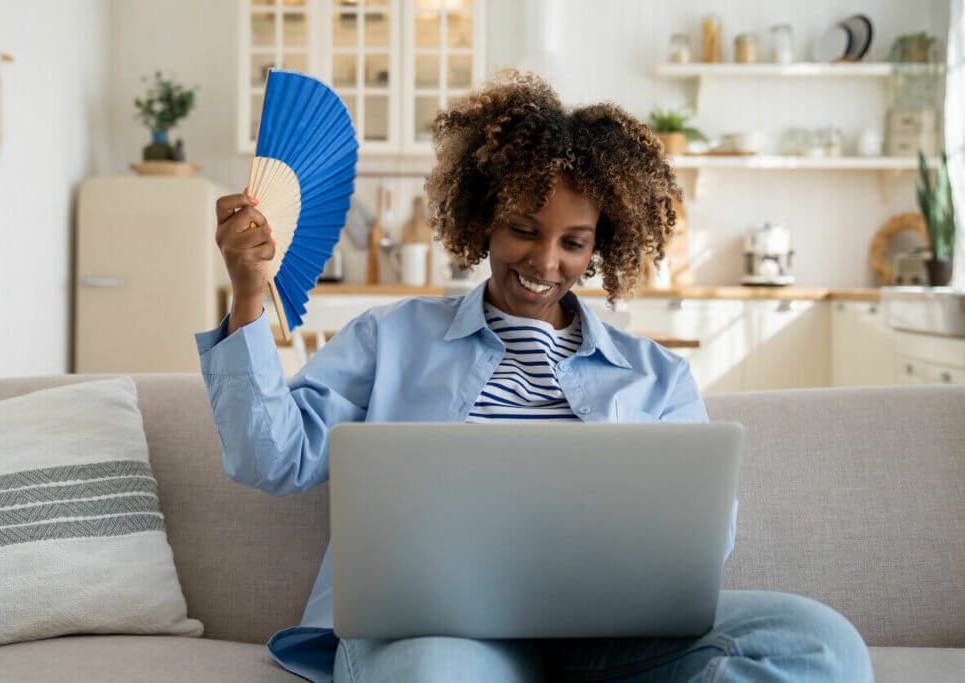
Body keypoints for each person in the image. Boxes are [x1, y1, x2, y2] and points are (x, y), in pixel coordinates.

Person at [194, 69, 873, 682]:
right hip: (438, 632)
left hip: (610, 639)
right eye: (523, 228)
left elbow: (700, 543)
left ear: (599, 245)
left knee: (823, 643)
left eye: (573, 241)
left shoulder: (658, 377)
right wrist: (249, 295)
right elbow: (270, 455)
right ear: (483, 218)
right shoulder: (391, 337)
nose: (545, 261)